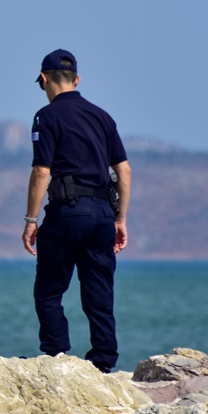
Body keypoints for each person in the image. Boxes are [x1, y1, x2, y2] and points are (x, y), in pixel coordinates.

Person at [21, 49, 131, 373]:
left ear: (43, 79)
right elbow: (123, 171)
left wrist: (30, 220)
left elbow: (42, 172)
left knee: (49, 289)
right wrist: (120, 219)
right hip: (102, 215)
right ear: (77, 80)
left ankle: (56, 359)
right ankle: (103, 363)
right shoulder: (102, 117)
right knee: (99, 291)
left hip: (66, 213)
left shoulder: (46, 117)